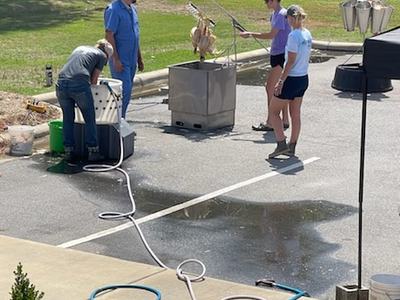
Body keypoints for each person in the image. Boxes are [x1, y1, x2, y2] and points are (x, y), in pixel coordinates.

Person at [56, 39, 113, 162]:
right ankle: (93, 151)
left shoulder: (80, 48)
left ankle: (68, 151)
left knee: (68, 118)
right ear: (107, 54)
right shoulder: (102, 56)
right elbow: (93, 81)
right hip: (79, 85)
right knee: (89, 118)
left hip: (61, 83)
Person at [239, 0, 291, 132]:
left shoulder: (281, 14)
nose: (265, 3)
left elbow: (271, 35)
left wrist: (250, 34)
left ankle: (271, 122)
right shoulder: (275, 14)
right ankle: (284, 120)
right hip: (276, 54)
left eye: (267, 1)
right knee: (280, 88)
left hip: (280, 56)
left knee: (270, 88)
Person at [268, 5, 312, 159]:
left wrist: (281, 81)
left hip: (292, 79)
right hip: (303, 78)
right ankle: (292, 146)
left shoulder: (293, 36)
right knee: (296, 114)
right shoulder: (307, 34)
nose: (286, 20)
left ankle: (281, 144)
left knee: (273, 111)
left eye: (287, 17)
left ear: (292, 18)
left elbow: (290, 61)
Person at [104, 0, 144, 119]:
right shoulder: (113, 10)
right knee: (123, 92)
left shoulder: (133, 9)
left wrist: (139, 57)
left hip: (132, 60)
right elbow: (109, 35)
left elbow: (135, 35)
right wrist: (115, 59)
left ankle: (121, 120)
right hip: (121, 60)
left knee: (127, 93)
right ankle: (117, 122)